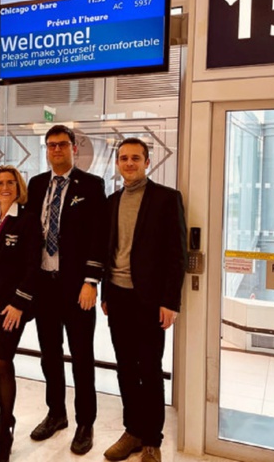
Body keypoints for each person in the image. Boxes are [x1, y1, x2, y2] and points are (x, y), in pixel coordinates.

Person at [101, 138, 187, 462]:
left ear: (147, 161)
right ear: (118, 163)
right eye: (123, 158)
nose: (129, 163)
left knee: (149, 369)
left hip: (150, 300)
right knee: (125, 368)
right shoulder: (112, 201)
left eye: (135, 158)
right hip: (118, 297)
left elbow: (177, 255)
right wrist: (106, 292)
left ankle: (152, 439)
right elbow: (108, 251)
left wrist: (171, 301)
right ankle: (132, 431)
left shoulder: (166, 199)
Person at [26, 125, 106, 455]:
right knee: (49, 354)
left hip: (77, 288)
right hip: (44, 284)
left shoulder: (91, 185)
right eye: (51, 145)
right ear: (46, 150)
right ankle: (56, 413)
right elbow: (30, 232)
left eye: (62, 145)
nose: (56, 150)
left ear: (74, 148)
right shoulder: (36, 184)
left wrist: (91, 281)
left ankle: (85, 422)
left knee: (82, 356)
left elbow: (99, 236)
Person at [0, 165, 42, 462]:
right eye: (0, 183)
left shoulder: (26, 221)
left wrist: (19, 303)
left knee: (4, 361)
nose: (5, 187)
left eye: (10, 183)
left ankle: (7, 430)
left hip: (13, 305)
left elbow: (32, 268)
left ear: (18, 187)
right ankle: (3, 420)